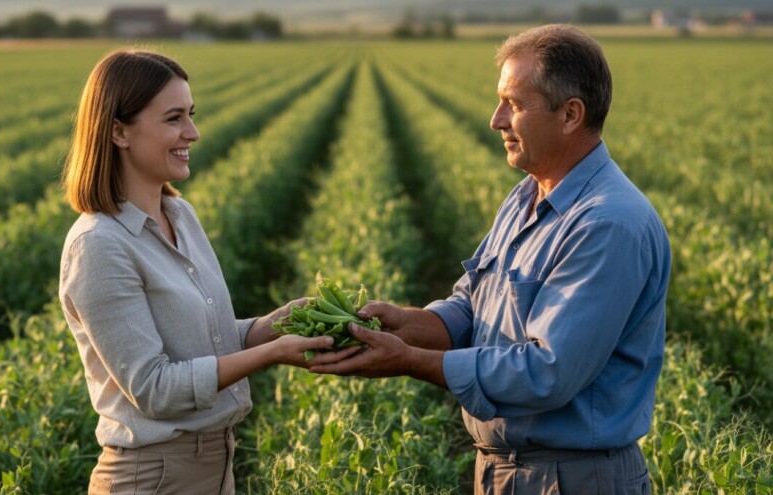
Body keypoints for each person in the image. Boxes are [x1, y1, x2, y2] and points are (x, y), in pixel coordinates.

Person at [311, 24, 671, 494]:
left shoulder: (608, 224)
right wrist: (401, 324)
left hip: (573, 478)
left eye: (514, 105)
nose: (495, 120)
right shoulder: (526, 197)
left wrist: (410, 360)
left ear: (570, 115)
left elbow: (548, 373)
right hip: (508, 470)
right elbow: (473, 308)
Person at [58, 49, 347, 494]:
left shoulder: (180, 215)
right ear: (118, 132)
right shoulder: (99, 244)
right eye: (173, 119)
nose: (192, 133)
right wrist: (272, 354)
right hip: (151, 477)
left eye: (190, 115)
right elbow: (154, 388)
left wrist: (276, 325)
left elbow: (204, 341)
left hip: (215, 465)